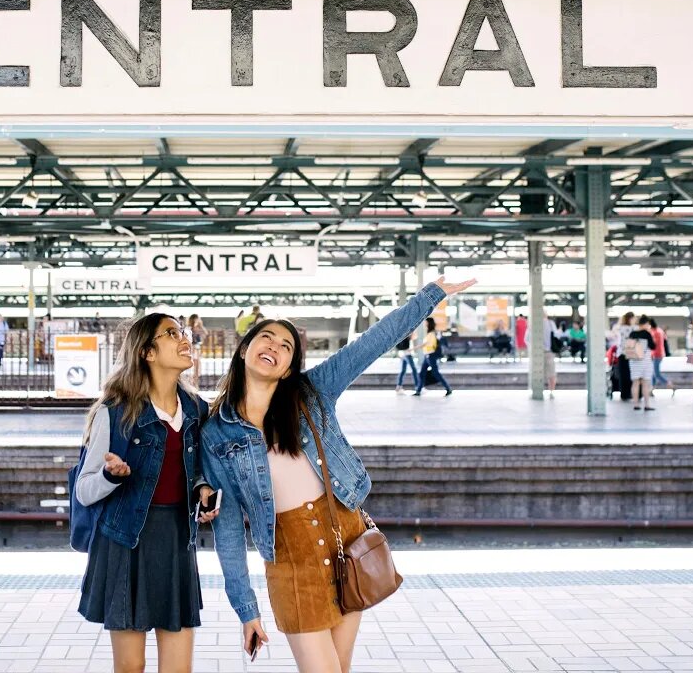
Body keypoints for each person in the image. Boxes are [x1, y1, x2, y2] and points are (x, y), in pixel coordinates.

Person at [202, 276, 475, 673]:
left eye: (286, 346)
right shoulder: (217, 431)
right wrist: (246, 609)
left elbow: (373, 342)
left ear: (289, 366)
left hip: (344, 541)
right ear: (245, 348)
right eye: (267, 339)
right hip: (291, 560)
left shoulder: (312, 392)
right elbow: (227, 528)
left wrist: (429, 296)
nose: (274, 347)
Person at [75, 313, 217, 672]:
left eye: (182, 331)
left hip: (176, 541)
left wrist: (203, 490)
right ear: (147, 352)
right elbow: (84, 491)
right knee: (130, 667)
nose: (184, 338)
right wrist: (111, 474)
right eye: (172, 333)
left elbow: (199, 470)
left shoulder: (198, 410)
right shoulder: (115, 413)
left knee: (178, 668)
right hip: (124, 544)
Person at [624, 315, 657, 411]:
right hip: (645, 361)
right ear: (646, 324)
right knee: (645, 383)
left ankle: (636, 404)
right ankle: (647, 405)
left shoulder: (632, 333)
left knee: (635, 383)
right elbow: (653, 346)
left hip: (634, 361)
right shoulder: (647, 333)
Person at [413, 317, 452, 397]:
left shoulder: (432, 333)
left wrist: (415, 348)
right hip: (427, 356)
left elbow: (429, 344)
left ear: (429, 323)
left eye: (426, 322)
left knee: (436, 373)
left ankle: (448, 388)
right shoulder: (429, 333)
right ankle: (418, 390)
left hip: (431, 356)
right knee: (422, 373)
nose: (424, 324)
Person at [646, 317, 672, 394]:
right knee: (653, 373)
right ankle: (651, 390)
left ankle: (669, 384)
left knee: (656, 374)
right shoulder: (660, 330)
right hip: (660, 354)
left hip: (656, 355)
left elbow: (652, 345)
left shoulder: (653, 332)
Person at [540, 315, 557, 395]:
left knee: (539, 373)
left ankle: (539, 391)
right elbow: (557, 335)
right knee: (551, 373)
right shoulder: (551, 323)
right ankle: (551, 391)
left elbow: (527, 339)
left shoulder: (533, 324)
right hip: (549, 351)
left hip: (538, 352)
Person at [187, 314, 206, 383]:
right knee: (192, 364)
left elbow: (204, 334)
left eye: (197, 319)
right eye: (195, 319)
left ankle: (195, 380)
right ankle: (191, 380)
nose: (197, 320)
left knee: (197, 364)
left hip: (197, 347)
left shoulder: (200, 328)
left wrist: (200, 327)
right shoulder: (189, 328)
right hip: (192, 348)